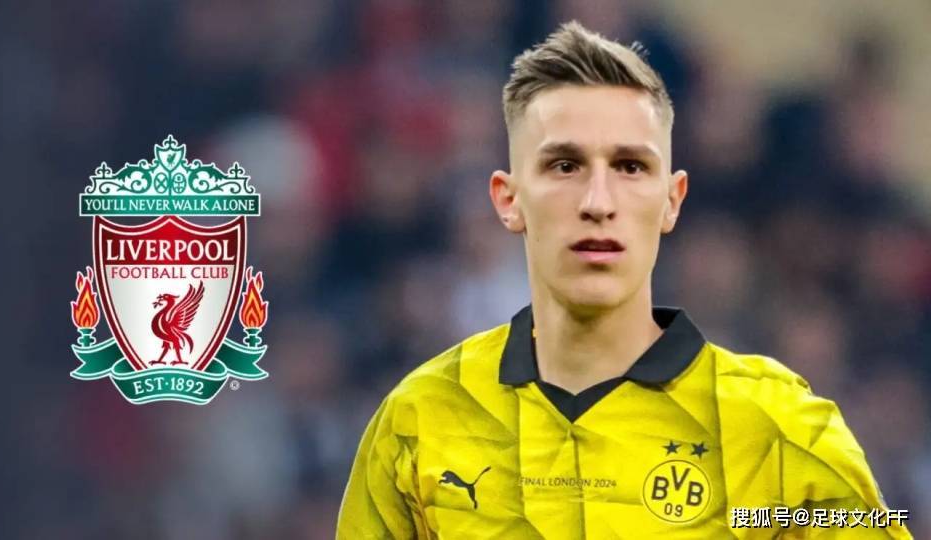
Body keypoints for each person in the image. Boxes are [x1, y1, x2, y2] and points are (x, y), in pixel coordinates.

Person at [337, 21, 911, 539]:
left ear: (671, 200)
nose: (598, 201)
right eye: (564, 165)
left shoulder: (782, 428)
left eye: (630, 167)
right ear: (509, 200)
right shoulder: (418, 421)